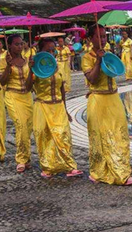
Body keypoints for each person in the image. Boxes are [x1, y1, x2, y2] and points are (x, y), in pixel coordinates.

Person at [82, 24, 132, 185]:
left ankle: (122, 172)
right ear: (90, 39)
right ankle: (99, 171)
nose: (103, 39)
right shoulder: (87, 58)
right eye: (98, 36)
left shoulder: (109, 54)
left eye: (104, 36)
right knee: (98, 138)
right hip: (98, 99)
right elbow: (91, 79)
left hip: (113, 98)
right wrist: (98, 61)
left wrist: (105, 58)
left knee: (119, 135)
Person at [25, 38, 83, 179]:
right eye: (48, 50)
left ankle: (70, 166)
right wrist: (30, 70)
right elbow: (27, 88)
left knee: (63, 135)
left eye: (53, 50)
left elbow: (61, 88)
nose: (51, 53)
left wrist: (65, 108)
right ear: (41, 51)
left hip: (57, 106)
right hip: (42, 106)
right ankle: (48, 167)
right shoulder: (36, 68)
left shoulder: (57, 66)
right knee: (45, 137)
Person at [0, 35, 34, 173]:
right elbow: (2, 81)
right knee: (20, 124)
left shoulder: (26, 59)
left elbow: (31, 81)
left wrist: (31, 68)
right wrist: (8, 65)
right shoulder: (3, 60)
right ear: (10, 46)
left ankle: (27, 157)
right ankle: (21, 159)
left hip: (27, 96)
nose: (20, 47)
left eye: (21, 44)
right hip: (12, 95)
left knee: (28, 127)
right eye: (16, 44)